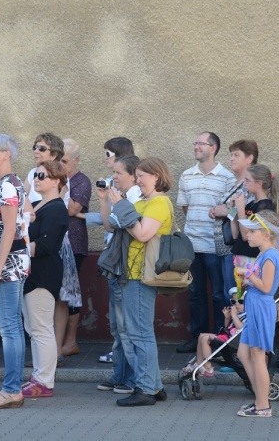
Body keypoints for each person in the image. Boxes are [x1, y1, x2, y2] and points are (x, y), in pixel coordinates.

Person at [110, 157, 173, 407]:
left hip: (141, 275)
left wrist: (121, 207)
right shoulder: (145, 202)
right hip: (133, 273)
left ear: (156, 176)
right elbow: (120, 225)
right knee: (139, 331)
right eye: (136, 176)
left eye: (141, 176)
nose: (137, 181)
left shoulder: (159, 202)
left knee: (140, 333)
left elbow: (143, 233)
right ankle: (155, 386)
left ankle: (146, 390)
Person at [0, 134, 30, 410]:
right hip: (8, 263)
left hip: (7, 265)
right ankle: (12, 389)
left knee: (9, 328)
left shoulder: (8, 185)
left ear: (6, 154)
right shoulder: (10, 183)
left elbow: (10, 229)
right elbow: (26, 216)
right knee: (11, 328)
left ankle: (12, 390)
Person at [176, 132, 235, 353]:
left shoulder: (227, 177)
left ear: (214, 148)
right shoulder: (186, 175)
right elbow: (185, 207)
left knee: (220, 294)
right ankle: (198, 338)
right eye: (196, 143)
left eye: (201, 143)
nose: (196, 146)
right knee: (195, 293)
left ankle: (219, 340)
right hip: (192, 246)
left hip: (215, 246)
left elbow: (231, 211)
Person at [21, 160, 69, 398]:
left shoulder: (57, 208)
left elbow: (46, 245)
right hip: (31, 273)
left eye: (42, 176)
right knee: (33, 328)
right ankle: (38, 376)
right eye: (35, 175)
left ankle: (45, 381)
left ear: (56, 181)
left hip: (43, 273)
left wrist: (15, 250)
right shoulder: (39, 205)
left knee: (41, 328)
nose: (36, 179)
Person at [95, 154, 140, 395]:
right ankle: (120, 375)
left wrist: (114, 203)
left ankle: (134, 379)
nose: (114, 177)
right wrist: (104, 200)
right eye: (114, 172)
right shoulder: (121, 197)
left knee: (127, 328)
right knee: (117, 327)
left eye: (118, 173)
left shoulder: (134, 198)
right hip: (116, 268)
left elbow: (115, 225)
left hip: (127, 270)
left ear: (133, 176)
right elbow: (108, 225)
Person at [235, 210, 279, 418]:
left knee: (258, 356)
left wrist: (247, 273)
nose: (247, 235)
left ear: (266, 234)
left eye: (252, 231)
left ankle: (263, 406)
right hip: (254, 307)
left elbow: (266, 287)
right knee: (243, 353)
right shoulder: (263, 255)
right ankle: (259, 399)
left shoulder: (270, 256)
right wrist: (248, 280)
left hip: (261, 309)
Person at [209, 139, 258, 305]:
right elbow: (232, 207)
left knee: (234, 295)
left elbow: (247, 209)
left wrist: (224, 211)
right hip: (225, 248)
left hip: (234, 248)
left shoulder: (249, 184)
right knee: (228, 293)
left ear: (249, 158)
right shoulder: (236, 183)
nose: (231, 158)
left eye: (236, 155)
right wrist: (216, 210)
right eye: (231, 155)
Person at [57, 139, 91, 358]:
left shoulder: (81, 181)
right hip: (55, 243)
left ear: (76, 160)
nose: (60, 165)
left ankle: (70, 341)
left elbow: (71, 209)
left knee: (70, 293)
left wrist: (60, 188)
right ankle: (57, 342)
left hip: (74, 243)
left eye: (65, 161)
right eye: (58, 160)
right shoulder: (54, 178)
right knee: (57, 292)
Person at [230, 164, 279, 285]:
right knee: (238, 293)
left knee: (247, 293)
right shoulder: (250, 204)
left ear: (259, 183)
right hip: (240, 256)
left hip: (252, 258)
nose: (244, 184)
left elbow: (245, 236)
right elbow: (235, 234)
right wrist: (233, 209)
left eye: (247, 180)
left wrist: (241, 209)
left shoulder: (265, 206)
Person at [182, 288, 245, 378]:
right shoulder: (237, 314)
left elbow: (241, 328)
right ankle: (199, 364)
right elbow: (227, 329)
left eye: (241, 302)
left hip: (234, 343)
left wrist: (234, 315)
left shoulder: (247, 315)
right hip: (228, 337)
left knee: (206, 338)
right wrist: (227, 318)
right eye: (233, 302)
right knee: (201, 336)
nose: (237, 305)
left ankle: (208, 367)